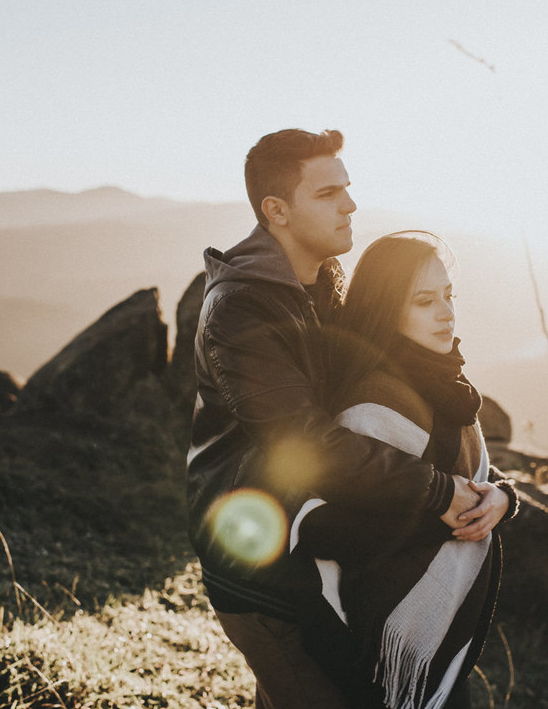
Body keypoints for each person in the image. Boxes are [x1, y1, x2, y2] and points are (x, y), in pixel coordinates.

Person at [187, 129, 482, 709]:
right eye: (327, 194)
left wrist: (494, 491)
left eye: (347, 189)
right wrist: (439, 492)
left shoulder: (319, 283)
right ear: (277, 211)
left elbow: (390, 386)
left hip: (322, 548)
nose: (349, 205)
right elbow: (305, 443)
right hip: (265, 574)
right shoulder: (241, 308)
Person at [290, 232, 519, 709]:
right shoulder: (376, 401)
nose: (446, 312)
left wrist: (500, 498)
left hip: (434, 642)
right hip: (384, 644)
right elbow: (327, 529)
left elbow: (458, 478)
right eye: (423, 301)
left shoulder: (445, 383)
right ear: (386, 308)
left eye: (448, 295)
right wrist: (442, 513)